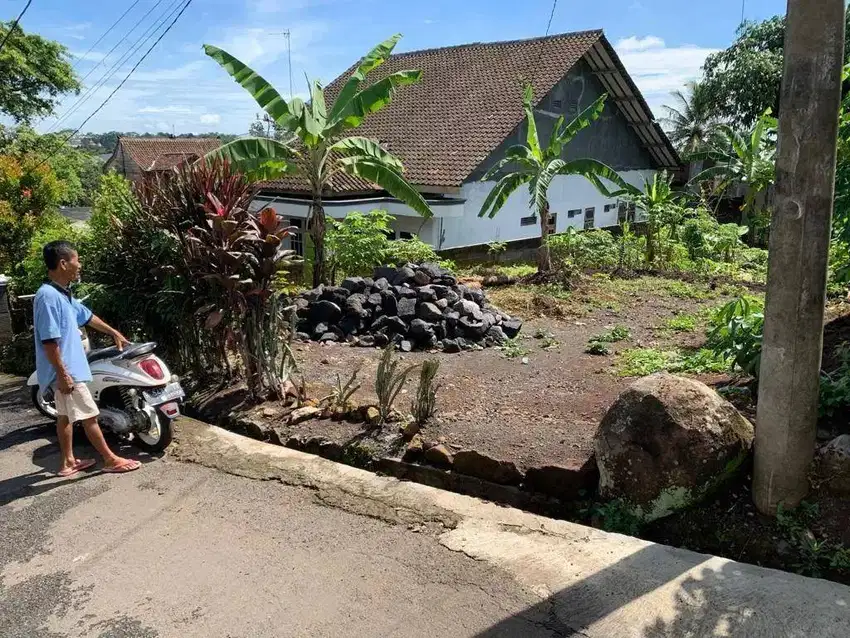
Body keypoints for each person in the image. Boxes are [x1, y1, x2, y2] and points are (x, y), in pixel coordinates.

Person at [34, 240, 141, 477]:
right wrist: (63, 375)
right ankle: (110, 459)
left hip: (66, 370)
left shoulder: (63, 295)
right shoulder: (48, 297)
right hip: (65, 371)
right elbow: (49, 341)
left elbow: (88, 317)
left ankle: (68, 462)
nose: (79, 265)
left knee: (64, 417)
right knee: (90, 415)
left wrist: (114, 333)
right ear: (63, 263)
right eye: (76, 259)